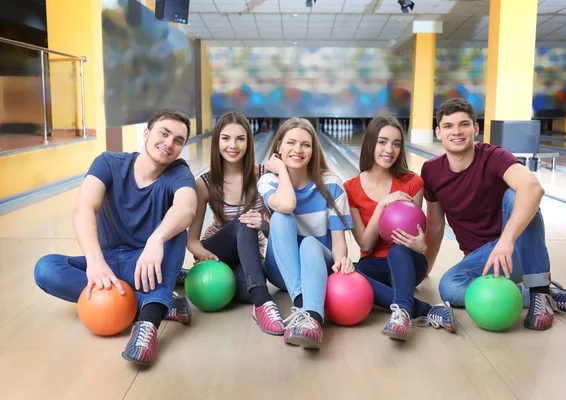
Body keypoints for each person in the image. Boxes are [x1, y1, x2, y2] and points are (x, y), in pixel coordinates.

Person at [34, 109, 197, 366]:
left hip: (144, 263)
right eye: (164, 133)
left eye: (178, 140)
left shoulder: (178, 172)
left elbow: (186, 208)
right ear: (146, 134)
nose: (169, 143)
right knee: (46, 269)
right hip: (106, 264)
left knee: (174, 233)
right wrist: (95, 261)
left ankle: (147, 324)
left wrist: (155, 240)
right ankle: (158, 301)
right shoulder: (109, 163)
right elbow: (84, 208)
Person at [421, 98, 566, 330]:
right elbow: (436, 225)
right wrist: (425, 268)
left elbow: (533, 187)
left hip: (516, 251)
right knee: (449, 287)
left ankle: (539, 292)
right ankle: (542, 292)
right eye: (448, 126)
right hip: (482, 261)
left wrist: (506, 241)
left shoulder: (493, 156)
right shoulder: (431, 171)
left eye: (464, 124)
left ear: (475, 129)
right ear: (438, 132)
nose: (456, 131)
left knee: (517, 193)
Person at [344, 115, 455, 341]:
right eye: (382, 142)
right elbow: (365, 243)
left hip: (408, 261)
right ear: (370, 143)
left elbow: (409, 236)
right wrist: (383, 204)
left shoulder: (413, 182)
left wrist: (421, 245)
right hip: (373, 265)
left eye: (396, 144)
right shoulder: (351, 188)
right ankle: (425, 309)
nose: (389, 150)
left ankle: (402, 312)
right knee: (342, 272)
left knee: (398, 248)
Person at [183, 111, 284, 335]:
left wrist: (265, 225)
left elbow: (278, 233)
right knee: (243, 222)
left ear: (249, 141)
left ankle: (255, 295)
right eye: (226, 138)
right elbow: (192, 240)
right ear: (217, 141)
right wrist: (205, 256)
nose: (233, 145)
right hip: (217, 250)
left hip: (248, 254)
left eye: (240, 138)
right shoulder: (205, 183)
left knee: (243, 292)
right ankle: (263, 303)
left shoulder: (263, 175)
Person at [258, 118, 354, 349]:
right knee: (281, 215)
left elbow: (339, 240)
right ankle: (303, 303)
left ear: (313, 150)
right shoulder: (268, 181)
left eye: (305, 145)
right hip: (280, 269)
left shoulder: (332, 185)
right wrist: (281, 170)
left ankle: (312, 319)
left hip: (317, 266)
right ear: (278, 146)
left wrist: (342, 262)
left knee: (310, 243)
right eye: (290, 143)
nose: (298, 150)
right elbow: (287, 204)